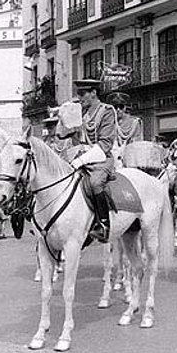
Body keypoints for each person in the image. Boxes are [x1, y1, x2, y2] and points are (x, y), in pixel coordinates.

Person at [55, 79, 118, 243]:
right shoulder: (80, 112)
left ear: (93, 93)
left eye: (82, 94)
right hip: (78, 156)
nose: (79, 97)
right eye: (78, 94)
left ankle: (103, 224)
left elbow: (105, 143)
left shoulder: (107, 111)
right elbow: (63, 136)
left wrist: (81, 160)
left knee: (95, 183)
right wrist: (63, 117)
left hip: (100, 158)